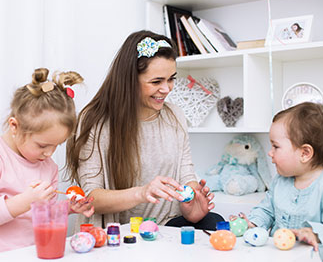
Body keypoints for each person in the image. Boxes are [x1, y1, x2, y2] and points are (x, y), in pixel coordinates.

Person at [66, 30, 223, 231]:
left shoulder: (175, 115)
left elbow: (187, 177)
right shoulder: (95, 120)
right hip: (120, 230)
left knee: (214, 222)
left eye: (171, 78)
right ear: (130, 79)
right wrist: (142, 193)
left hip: (167, 224)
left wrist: (192, 206)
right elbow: (90, 199)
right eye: (156, 82)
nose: (167, 89)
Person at [0, 68, 94, 261]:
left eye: (56, 146)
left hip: (35, 254)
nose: (49, 153)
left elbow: (43, 215)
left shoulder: (48, 167)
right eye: (42, 145)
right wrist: (26, 201)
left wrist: (69, 208)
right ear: (15, 126)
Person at [239, 102, 323, 261]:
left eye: (275, 146)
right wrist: (253, 224)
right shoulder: (280, 180)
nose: (270, 153)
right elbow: (266, 210)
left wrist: (315, 235)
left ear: (305, 153)